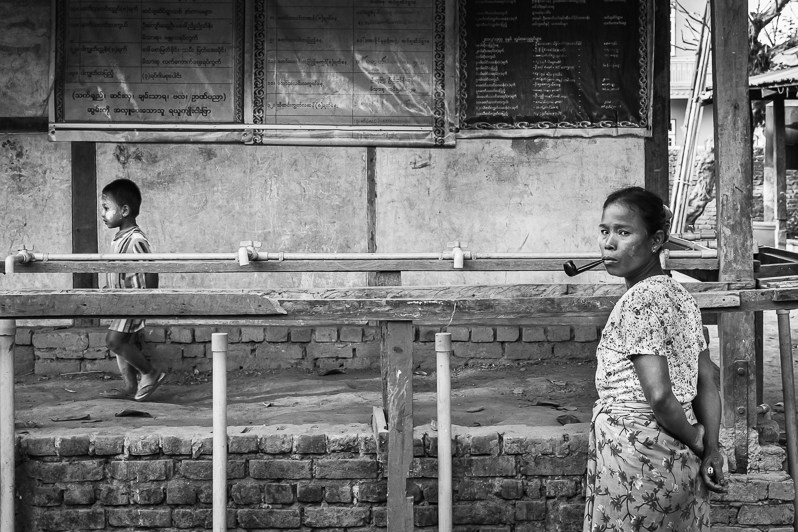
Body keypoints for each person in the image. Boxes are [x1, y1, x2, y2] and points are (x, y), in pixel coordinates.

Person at [583, 186, 727, 532]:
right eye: (605, 231)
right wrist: (710, 449)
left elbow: (660, 396)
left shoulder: (640, 302)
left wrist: (695, 437)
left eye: (624, 232)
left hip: (638, 461)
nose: (609, 243)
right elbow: (707, 381)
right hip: (680, 466)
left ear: (656, 239)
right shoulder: (681, 296)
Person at [100, 178, 166, 401]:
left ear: (125, 210)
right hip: (121, 301)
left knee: (114, 341)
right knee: (123, 344)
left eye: (107, 208)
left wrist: (149, 299)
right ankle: (129, 386)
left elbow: (150, 269)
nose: (103, 213)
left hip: (133, 301)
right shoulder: (119, 239)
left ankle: (150, 372)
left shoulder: (136, 239)